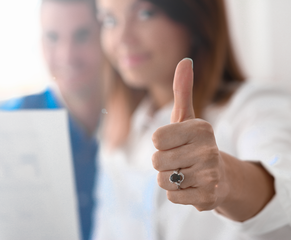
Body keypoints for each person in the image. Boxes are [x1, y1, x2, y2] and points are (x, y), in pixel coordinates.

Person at [92, 0, 291, 239]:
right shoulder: (118, 131)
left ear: (195, 19)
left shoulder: (254, 107)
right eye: (110, 20)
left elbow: (284, 190)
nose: (122, 38)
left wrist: (225, 178)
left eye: (145, 13)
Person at [0, 0, 103, 239]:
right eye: (53, 37)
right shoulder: (5, 126)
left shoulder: (139, 122)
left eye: (82, 35)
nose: (67, 55)